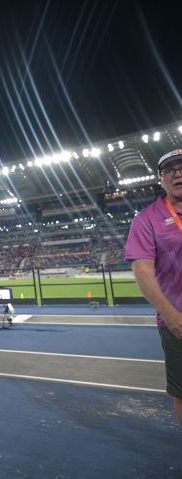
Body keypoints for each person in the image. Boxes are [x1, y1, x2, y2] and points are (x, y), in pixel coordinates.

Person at [126, 149, 182, 428]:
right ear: (161, 179)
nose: (178, 174)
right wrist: (170, 315)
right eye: (170, 170)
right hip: (178, 321)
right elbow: (143, 271)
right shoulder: (146, 219)